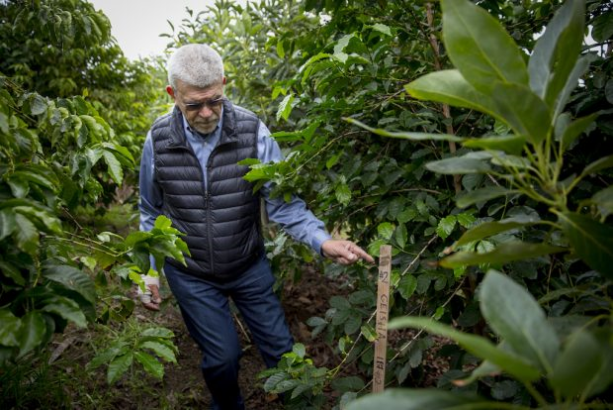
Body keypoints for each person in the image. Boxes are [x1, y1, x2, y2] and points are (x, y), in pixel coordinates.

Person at [138, 43, 374, 410]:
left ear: (223, 84)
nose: (205, 113)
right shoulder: (157, 140)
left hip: (248, 266)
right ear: (172, 94)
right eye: (193, 104)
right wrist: (149, 272)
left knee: (282, 354)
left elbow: (282, 203)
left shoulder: (252, 132)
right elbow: (149, 210)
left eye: (214, 101)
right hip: (192, 273)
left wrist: (323, 241)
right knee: (222, 359)